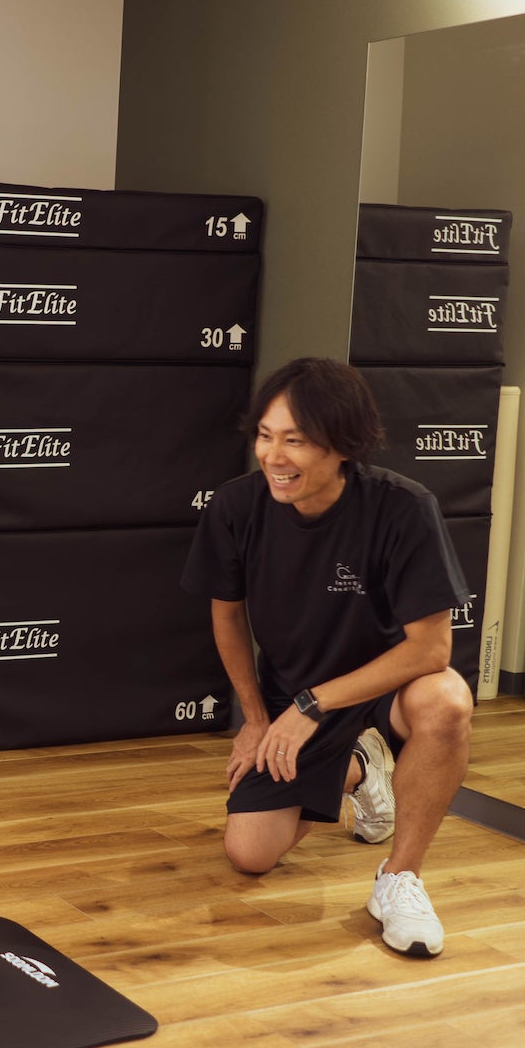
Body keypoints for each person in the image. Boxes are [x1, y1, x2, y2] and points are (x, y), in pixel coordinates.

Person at [182, 357, 473, 958]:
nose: (274, 456)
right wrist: (256, 719)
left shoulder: (403, 507)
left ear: (343, 444)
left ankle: (401, 878)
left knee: (447, 700)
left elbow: (432, 648)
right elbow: (227, 616)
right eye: (265, 436)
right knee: (250, 854)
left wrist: (314, 706)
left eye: (295, 441)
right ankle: (361, 771)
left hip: (386, 689)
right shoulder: (236, 507)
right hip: (294, 694)